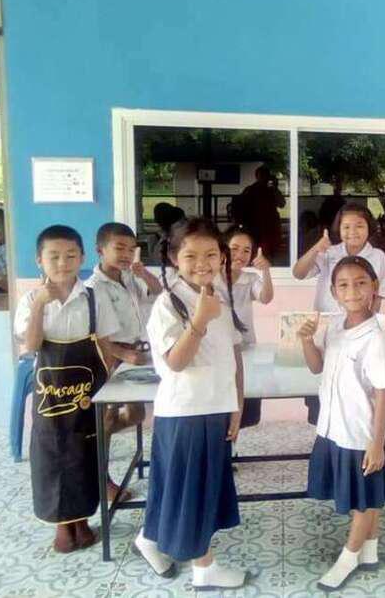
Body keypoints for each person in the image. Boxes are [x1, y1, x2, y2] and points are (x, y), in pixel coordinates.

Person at [135, 217, 249, 589]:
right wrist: (199, 320)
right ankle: (204, 569)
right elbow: (176, 362)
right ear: (173, 259)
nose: (202, 263)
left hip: (216, 407)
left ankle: (149, 539)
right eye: (191, 256)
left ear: (222, 256)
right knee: (192, 490)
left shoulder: (219, 294)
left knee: (184, 486)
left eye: (211, 254)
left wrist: (237, 405)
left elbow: (233, 354)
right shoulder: (167, 304)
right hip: (186, 412)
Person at [13, 225, 120, 553]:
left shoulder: (94, 297)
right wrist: (39, 305)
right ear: (39, 260)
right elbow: (31, 346)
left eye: (71, 255)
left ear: (82, 257)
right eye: (54, 256)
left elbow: (106, 346)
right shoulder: (30, 300)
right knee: (52, 455)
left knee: (86, 453)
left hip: (88, 391)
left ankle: (82, 521)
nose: (63, 263)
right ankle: (62, 525)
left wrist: (112, 391)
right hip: (50, 396)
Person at [298, 256, 385, 591]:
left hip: (359, 432)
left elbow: (383, 393)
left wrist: (377, 443)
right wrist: (307, 340)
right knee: (368, 494)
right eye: (343, 285)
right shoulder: (336, 326)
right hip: (332, 427)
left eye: (360, 283)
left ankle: (348, 557)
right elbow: (316, 367)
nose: (352, 291)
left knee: (361, 499)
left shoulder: (376, 337)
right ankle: (370, 550)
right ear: (334, 292)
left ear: (374, 287)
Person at [293, 203, 385, 425]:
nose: (352, 232)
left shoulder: (377, 256)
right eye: (346, 227)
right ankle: (325, 428)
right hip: (326, 328)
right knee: (322, 380)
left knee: (353, 385)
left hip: (358, 330)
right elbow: (298, 273)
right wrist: (317, 248)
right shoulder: (330, 252)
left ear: (369, 227)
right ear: (339, 229)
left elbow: (379, 296)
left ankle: (352, 431)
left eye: (359, 226)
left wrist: (367, 327)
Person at [86, 222, 162, 502]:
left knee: (136, 415)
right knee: (107, 416)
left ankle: (91, 438)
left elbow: (157, 292)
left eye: (131, 249)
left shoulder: (129, 278)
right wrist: (123, 354)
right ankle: (101, 479)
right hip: (111, 357)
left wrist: (144, 273)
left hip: (136, 356)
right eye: (119, 248)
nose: (126, 255)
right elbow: (95, 332)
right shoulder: (93, 287)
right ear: (100, 250)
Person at [215, 225, 274, 429]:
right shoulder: (211, 279)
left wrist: (266, 271)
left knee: (246, 408)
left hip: (245, 349)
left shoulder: (250, 279)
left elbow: (266, 298)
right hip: (218, 350)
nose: (240, 255)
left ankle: (232, 440)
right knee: (221, 405)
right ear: (223, 249)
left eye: (246, 251)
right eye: (234, 248)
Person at [235, 165, 286, 262]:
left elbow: (282, 203)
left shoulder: (271, 190)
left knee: (271, 251)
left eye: (266, 175)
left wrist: (275, 188)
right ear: (257, 177)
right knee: (256, 250)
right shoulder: (250, 190)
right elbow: (242, 208)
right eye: (262, 176)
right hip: (256, 226)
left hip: (270, 225)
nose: (264, 178)